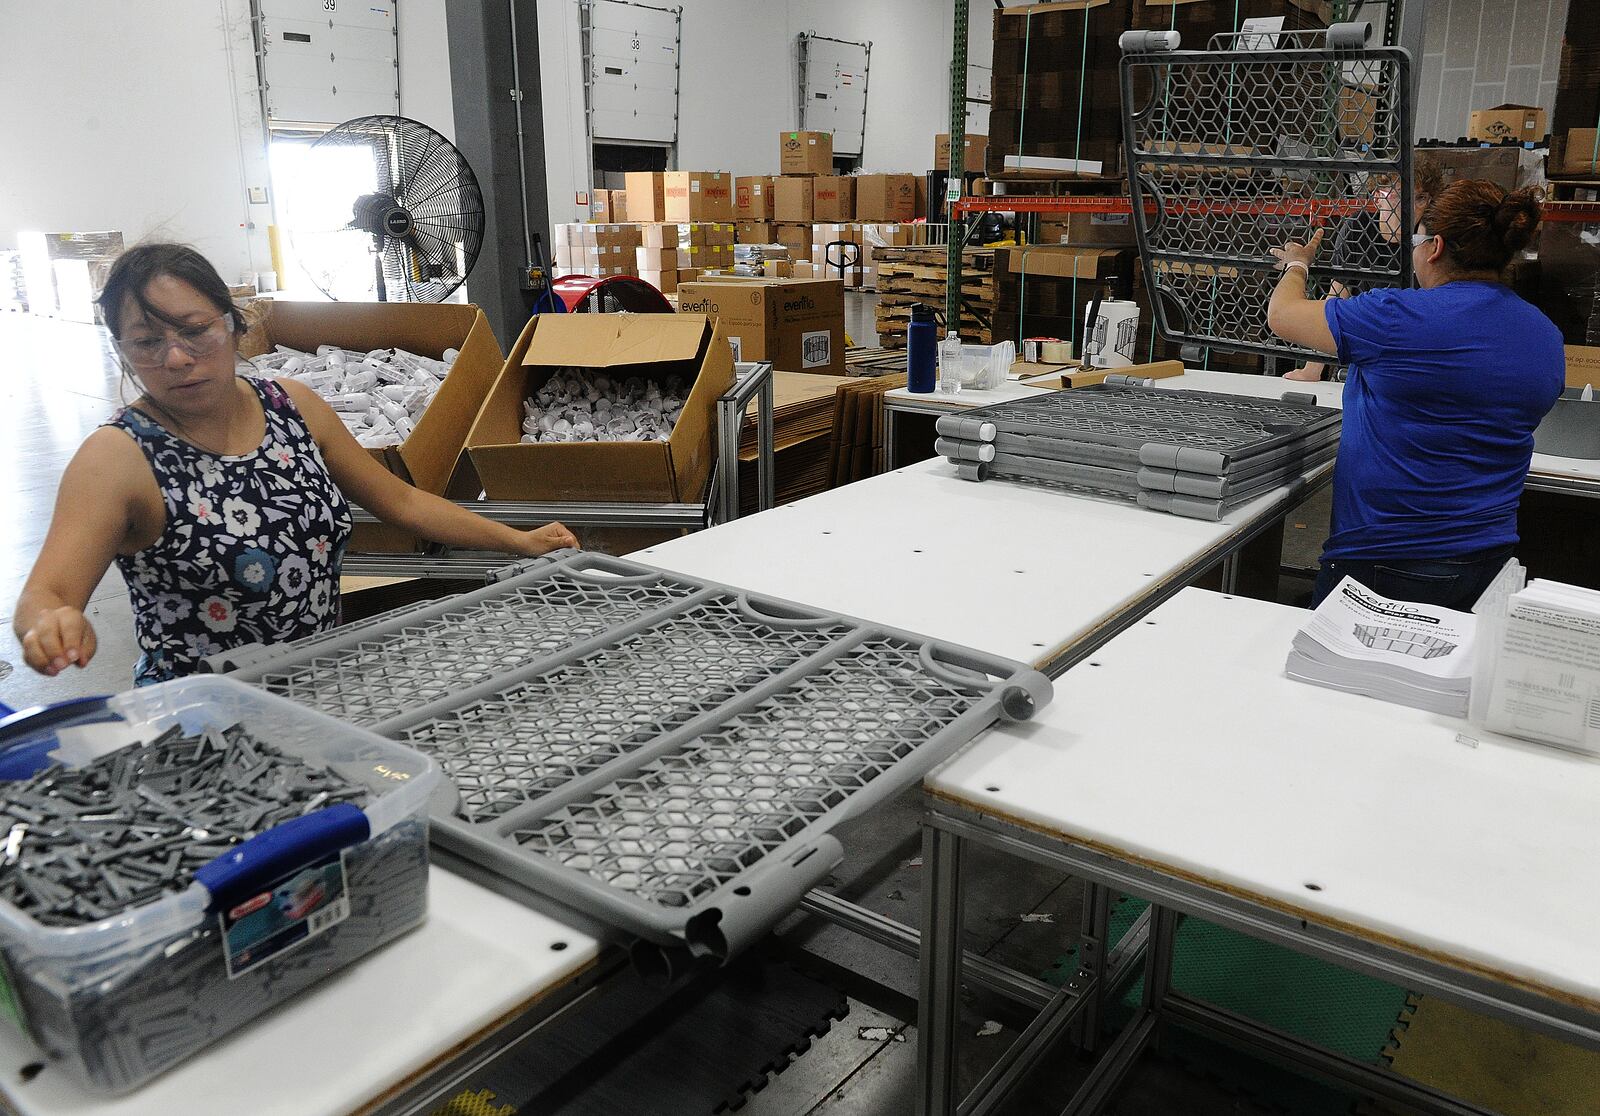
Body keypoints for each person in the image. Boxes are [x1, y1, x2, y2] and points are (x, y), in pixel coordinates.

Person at [13, 243, 579, 683]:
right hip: (204, 716)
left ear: (235, 323)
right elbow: (47, 596)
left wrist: (519, 541)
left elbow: (402, 501)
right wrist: (49, 625)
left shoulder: (291, 408)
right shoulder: (117, 458)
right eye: (146, 342)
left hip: (321, 686)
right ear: (119, 348)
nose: (177, 358)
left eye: (194, 330)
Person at [1265, 180, 1564, 609]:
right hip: (1488, 562)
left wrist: (1298, 265)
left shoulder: (1395, 317)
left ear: (1434, 247)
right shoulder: (1544, 335)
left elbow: (1283, 315)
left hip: (1382, 559)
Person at [1284, 157, 1443, 382]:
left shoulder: (1429, 239)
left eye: (1420, 199)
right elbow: (1336, 297)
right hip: (1372, 347)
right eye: (1398, 196)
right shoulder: (1357, 229)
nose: (1408, 207)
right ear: (1379, 197)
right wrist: (1312, 368)